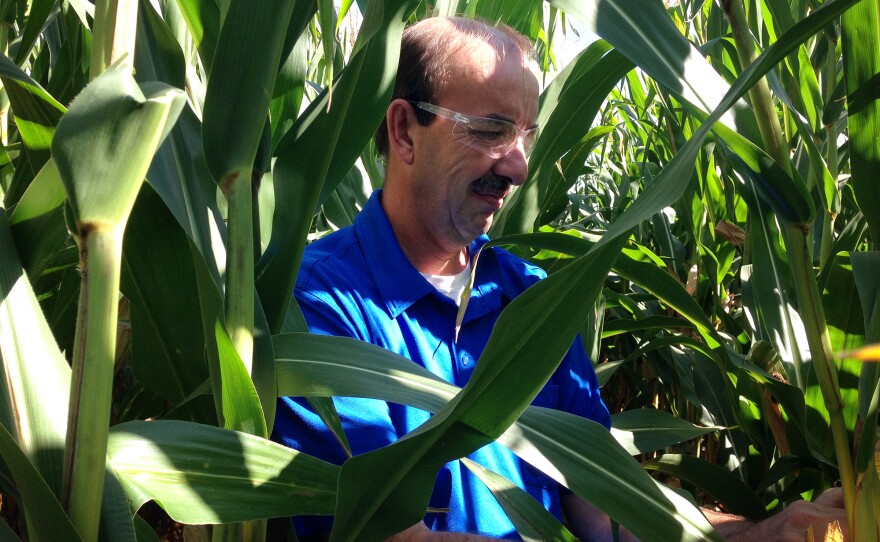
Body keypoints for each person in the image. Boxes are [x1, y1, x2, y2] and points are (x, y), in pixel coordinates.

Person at [273, 16, 848, 541]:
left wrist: (766, 532)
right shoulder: (317, 306)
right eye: (492, 130)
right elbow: (377, 535)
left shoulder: (530, 298)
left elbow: (605, 511)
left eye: (526, 135)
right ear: (404, 131)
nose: (518, 166)